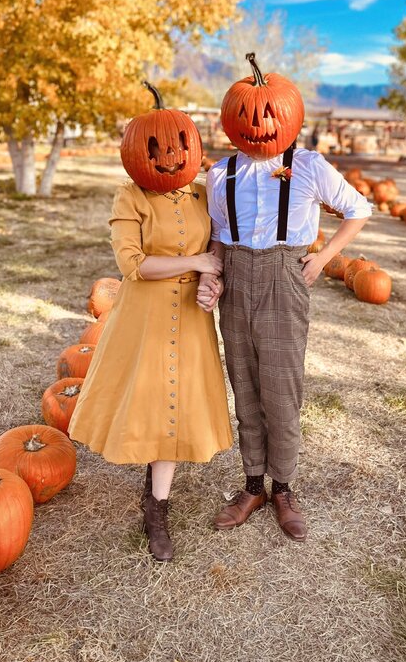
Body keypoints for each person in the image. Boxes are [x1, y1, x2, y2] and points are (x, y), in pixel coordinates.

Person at [197, 53, 372, 543]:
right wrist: (213, 276)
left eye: (268, 115)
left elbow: (358, 210)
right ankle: (252, 483)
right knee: (245, 383)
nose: (258, 125)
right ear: (232, 122)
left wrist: (323, 258)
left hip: (284, 275)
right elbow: (217, 236)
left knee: (281, 387)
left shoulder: (310, 166)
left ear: (288, 118)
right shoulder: (220, 174)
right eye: (248, 117)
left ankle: (284, 487)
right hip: (236, 277)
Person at [68, 83, 233, 563]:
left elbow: (217, 245)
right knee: (149, 403)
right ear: (138, 153)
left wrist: (213, 280)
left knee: (177, 406)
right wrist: (200, 264)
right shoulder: (130, 198)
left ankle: (156, 502)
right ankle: (154, 508)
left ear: (193, 146)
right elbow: (131, 264)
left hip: (192, 318)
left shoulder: (204, 194)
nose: (170, 156)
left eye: (180, 145)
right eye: (157, 149)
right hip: (144, 318)